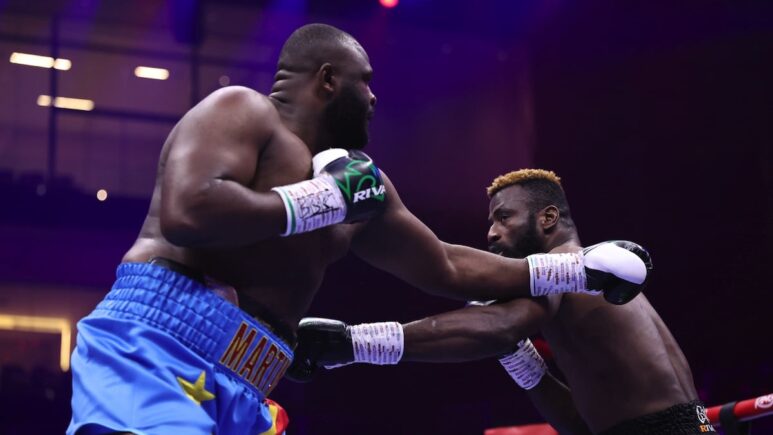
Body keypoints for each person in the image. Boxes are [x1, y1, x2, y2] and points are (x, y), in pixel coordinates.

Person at [67, 22, 650, 435]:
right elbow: (190, 213)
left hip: (249, 380)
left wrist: (577, 269)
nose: (373, 97)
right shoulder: (242, 110)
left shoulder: (361, 185)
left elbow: (447, 266)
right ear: (327, 80)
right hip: (158, 346)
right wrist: (323, 200)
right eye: (364, 81)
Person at [292, 169, 709, 435]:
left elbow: (499, 328)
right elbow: (582, 426)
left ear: (547, 218)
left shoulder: (564, 269)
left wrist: (354, 343)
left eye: (504, 217)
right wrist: (522, 361)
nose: (491, 232)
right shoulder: (590, 279)